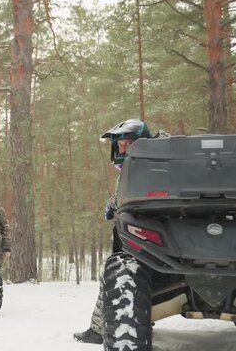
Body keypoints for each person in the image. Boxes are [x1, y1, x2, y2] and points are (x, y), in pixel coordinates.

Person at [74, 119, 168, 344]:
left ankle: (99, 329)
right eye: (121, 145)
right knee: (114, 276)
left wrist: (117, 203)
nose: (122, 149)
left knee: (115, 277)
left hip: (149, 235)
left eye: (128, 144)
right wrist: (114, 202)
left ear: (142, 142)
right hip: (135, 231)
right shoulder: (143, 163)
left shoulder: (158, 162)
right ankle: (100, 328)